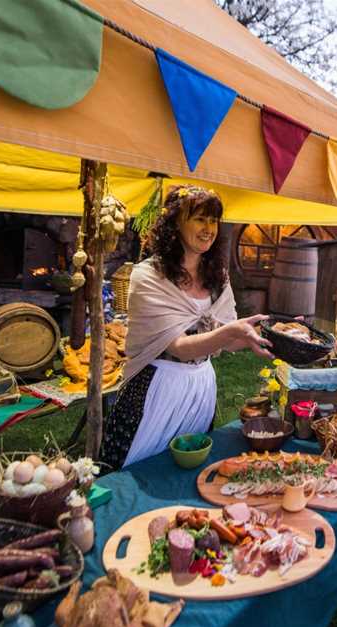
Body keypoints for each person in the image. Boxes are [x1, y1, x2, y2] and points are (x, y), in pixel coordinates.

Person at [101, 185, 273, 469]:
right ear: (176, 223)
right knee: (134, 471)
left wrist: (269, 336)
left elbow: (228, 341)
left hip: (200, 386)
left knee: (190, 468)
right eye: (199, 219)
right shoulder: (149, 276)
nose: (209, 228)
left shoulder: (216, 276)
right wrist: (231, 331)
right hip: (156, 388)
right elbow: (179, 347)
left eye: (213, 220)